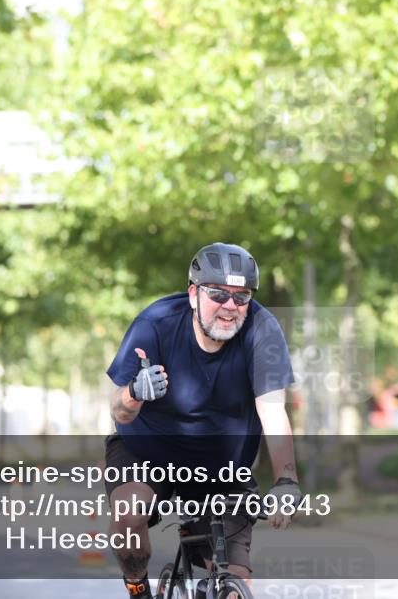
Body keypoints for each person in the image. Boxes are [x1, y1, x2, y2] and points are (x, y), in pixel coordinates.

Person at [105, 242, 301, 599]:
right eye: (218, 294)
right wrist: (134, 392)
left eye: (241, 297)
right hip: (147, 452)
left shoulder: (263, 331)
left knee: (233, 584)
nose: (230, 306)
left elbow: (272, 410)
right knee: (130, 513)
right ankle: (137, 588)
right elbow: (118, 410)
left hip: (221, 465)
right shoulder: (155, 324)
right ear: (194, 294)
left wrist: (286, 480)